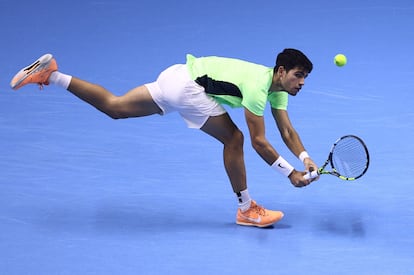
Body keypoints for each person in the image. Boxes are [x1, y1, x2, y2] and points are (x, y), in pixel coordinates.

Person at [10, 48, 318, 228]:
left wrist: (305, 159)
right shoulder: (256, 87)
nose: (301, 82)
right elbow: (259, 141)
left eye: (305, 77)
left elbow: (287, 131)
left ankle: (50, 75)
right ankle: (246, 208)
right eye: (297, 75)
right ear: (281, 71)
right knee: (234, 139)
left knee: (115, 107)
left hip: (177, 75)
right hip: (188, 88)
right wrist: (289, 173)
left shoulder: (278, 91)